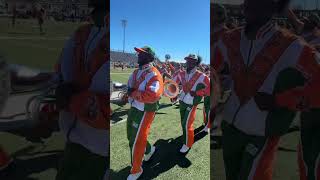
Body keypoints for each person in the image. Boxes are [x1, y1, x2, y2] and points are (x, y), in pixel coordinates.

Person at [213, 0, 320, 179]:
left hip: (262, 133)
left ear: (274, 6)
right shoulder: (228, 39)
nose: (248, 3)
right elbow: (211, 71)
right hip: (230, 128)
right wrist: (213, 95)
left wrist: (281, 100)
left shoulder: (292, 46)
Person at [54, 0, 109, 179]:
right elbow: (60, 70)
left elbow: (116, 103)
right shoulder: (81, 32)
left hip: (102, 149)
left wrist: (71, 101)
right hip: (73, 139)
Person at [126, 46, 163, 180]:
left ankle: (136, 169)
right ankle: (149, 150)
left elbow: (153, 95)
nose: (138, 56)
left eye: (142, 54)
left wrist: (133, 93)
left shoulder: (154, 74)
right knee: (131, 135)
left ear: (149, 57)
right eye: (139, 54)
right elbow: (129, 86)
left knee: (136, 140)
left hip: (145, 111)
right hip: (135, 108)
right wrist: (128, 94)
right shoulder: (136, 72)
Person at [173, 54, 209, 153]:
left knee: (186, 124)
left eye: (191, 61)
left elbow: (211, 88)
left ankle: (187, 144)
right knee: (183, 122)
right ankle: (185, 137)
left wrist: (197, 93)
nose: (188, 62)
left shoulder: (202, 76)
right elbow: (173, 83)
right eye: (187, 60)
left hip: (192, 103)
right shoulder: (182, 73)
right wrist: (174, 93)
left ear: (196, 63)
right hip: (182, 101)